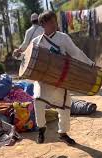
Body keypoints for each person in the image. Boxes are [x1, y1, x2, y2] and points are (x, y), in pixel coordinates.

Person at [33, 11, 95, 145]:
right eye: (50, 22)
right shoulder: (36, 42)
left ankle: (63, 133)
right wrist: (18, 54)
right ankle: (41, 128)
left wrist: (90, 63)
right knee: (38, 100)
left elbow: (76, 52)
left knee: (65, 106)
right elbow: (27, 57)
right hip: (43, 79)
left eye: (55, 21)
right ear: (43, 25)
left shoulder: (63, 38)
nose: (54, 24)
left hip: (61, 78)